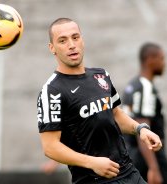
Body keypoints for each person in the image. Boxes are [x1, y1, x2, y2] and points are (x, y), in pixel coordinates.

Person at [36, 17, 163, 184]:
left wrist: (140, 129)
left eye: (75, 37)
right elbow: (50, 147)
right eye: (62, 40)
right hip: (94, 179)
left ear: (82, 40)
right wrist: (91, 162)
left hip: (130, 173)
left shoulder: (101, 75)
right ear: (52, 48)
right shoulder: (51, 91)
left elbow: (115, 114)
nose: (71, 45)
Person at [122, 42, 167, 184]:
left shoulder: (132, 85)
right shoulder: (145, 88)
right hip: (145, 159)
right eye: (161, 58)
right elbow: (143, 129)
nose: (163, 63)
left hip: (131, 157)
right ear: (150, 60)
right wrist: (154, 168)